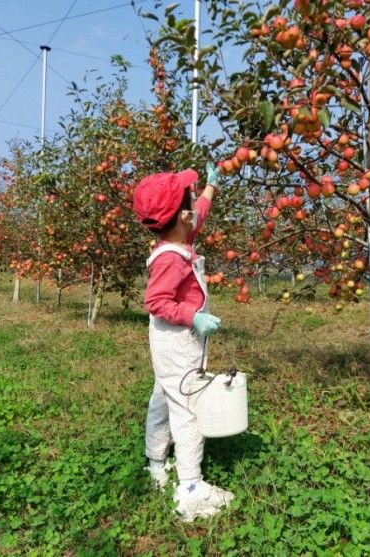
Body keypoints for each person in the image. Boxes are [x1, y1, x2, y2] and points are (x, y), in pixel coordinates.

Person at [131, 162, 234, 522]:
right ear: (180, 216)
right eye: (190, 199)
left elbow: (198, 215)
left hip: (170, 343)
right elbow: (156, 302)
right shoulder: (170, 259)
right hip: (177, 341)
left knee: (164, 396)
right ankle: (190, 487)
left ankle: (156, 461)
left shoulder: (180, 238)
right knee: (187, 409)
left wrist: (210, 187)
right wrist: (194, 317)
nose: (195, 205)